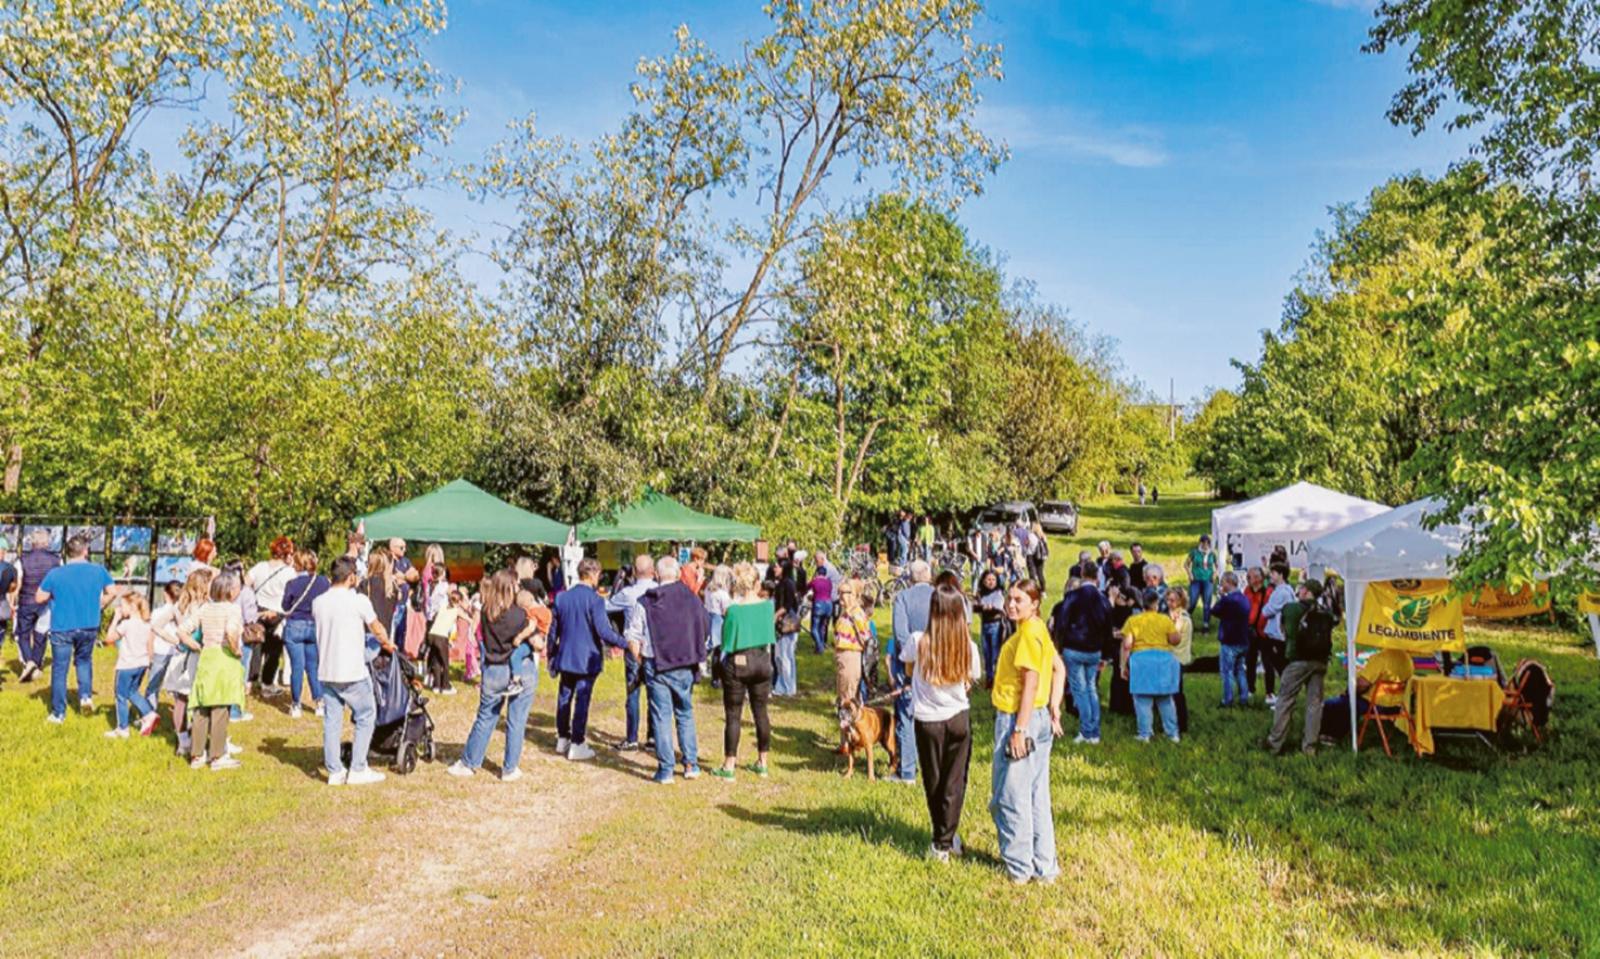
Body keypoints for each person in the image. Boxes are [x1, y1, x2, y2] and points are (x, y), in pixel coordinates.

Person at [989, 579, 1065, 884]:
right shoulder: (1037, 630)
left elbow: (1031, 681)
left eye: (1019, 600)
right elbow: (1058, 669)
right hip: (1039, 718)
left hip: (1018, 719)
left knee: (1009, 797)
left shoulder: (1028, 635)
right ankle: (1045, 867)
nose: (1011, 604)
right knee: (1035, 795)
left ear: (1034, 604)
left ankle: (1019, 869)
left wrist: (1019, 729)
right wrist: (1054, 708)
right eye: (1009, 598)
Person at [900, 583, 981, 861]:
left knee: (934, 781)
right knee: (954, 782)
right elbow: (971, 680)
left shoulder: (917, 640)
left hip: (927, 719)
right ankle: (948, 837)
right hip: (958, 716)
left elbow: (909, 668)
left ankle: (941, 842)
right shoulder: (968, 646)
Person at [448, 569, 542, 781]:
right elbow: (537, 643)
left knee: (486, 717)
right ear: (511, 587)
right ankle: (510, 768)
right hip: (521, 670)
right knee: (516, 720)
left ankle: (469, 762)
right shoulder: (519, 615)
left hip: (494, 669)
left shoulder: (485, 612)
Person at [314, 556, 392, 786]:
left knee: (332, 721)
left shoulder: (318, 602)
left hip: (327, 670)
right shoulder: (358, 601)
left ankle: (334, 771)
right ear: (351, 577)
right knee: (367, 715)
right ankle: (358, 767)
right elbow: (376, 628)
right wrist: (387, 643)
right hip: (352, 671)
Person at [633, 555, 706, 784]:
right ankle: (691, 764)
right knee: (685, 713)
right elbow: (704, 626)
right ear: (677, 574)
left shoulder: (646, 601)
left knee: (661, 716)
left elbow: (633, 636)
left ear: (657, 573)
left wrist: (640, 661)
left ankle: (665, 770)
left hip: (657, 664)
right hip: (684, 662)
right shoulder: (691, 598)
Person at [36, 534, 124, 722]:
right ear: (85, 551)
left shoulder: (56, 573)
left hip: (62, 626)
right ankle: (85, 697)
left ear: (68, 552)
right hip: (89, 624)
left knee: (60, 668)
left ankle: (58, 713)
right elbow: (113, 592)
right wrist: (101, 604)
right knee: (84, 661)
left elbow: (39, 597)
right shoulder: (98, 571)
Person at [548, 558, 627, 761]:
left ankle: (562, 737)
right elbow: (603, 631)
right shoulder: (595, 600)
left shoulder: (562, 598)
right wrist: (625, 643)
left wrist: (551, 654)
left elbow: (553, 632)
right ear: (593, 574)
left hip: (566, 656)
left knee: (564, 697)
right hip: (587, 658)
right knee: (582, 699)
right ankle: (577, 742)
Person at [712, 562, 775, 782]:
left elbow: (727, 643)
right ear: (757, 583)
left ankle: (729, 765)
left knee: (733, 714)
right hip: (762, 660)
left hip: (738, 662)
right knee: (761, 712)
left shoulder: (733, 610)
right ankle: (763, 762)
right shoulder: (768, 606)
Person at [1264, 580, 1338, 755]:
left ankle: (1275, 743)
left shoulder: (1291, 608)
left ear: (1305, 591)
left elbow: (1284, 631)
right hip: (1320, 661)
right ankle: (1309, 747)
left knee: (1285, 700)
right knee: (1314, 704)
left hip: (1298, 660)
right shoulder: (1325, 613)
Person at [183, 571, 247, 770]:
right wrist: (236, 650)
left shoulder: (205, 608)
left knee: (201, 706)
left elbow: (182, 630)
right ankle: (217, 755)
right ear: (229, 590)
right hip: (224, 658)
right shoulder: (233, 609)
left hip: (207, 657)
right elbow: (231, 631)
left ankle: (197, 754)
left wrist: (195, 645)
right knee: (220, 707)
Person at [156, 569, 214, 755]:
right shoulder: (205, 606)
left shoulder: (179, 606)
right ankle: (202, 741)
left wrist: (174, 641)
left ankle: (183, 741)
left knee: (180, 700)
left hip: (179, 656)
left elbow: (156, 625)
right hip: (197, 656)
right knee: (200, 700)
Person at [887, 560, 934, 785]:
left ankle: (907, 772)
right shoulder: (939, 596)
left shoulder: (903, 598)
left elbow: (900, 635)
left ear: (910, 577)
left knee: (906, 716)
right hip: (938, 664)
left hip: (910, 664)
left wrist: (912, 663)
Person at [606, 553, 657, 752]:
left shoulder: (628, 593)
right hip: (654, 648)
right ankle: (653, 737)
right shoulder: (660, 590)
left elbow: (607, 605)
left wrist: (618, 582)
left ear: (635, 572)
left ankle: (632, 737)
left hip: (633, 645)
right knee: (655, 693)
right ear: (653, 571)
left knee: (633, 693)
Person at [1121, 588, 1183, 743]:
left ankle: (1145, 733)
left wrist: (1123, 666)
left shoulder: (1133, 620)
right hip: (1163, 660)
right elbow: (1175, 640)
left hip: (1141, 661)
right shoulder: (1164, 620)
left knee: (1142, 700)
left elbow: (1127, 645)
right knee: (1165, 698)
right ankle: (1172, 733)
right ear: (1156, 604)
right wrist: (1177, 626)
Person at [1052, 576, 1109, 744]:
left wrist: (1060, 647)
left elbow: (1061, 624)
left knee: (1080, 691)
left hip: (1074, 648)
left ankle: (1086, 731)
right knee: (1090, 689)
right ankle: (1094, 731)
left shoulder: (1071, 598)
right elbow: (1107, 626)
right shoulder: (1102, 599)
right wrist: (1105, 653)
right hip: (1094, 649)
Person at [280, 549, 330, 718]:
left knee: (297, 667)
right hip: (315, 625)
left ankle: (296, 705)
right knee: (313, 667)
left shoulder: (292, 584)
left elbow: (285, 606)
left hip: (295, 625)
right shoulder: (323, 582)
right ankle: (319, 702)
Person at [104, 593, 161, 738]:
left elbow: (109, 639)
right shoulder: (146, 624)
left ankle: (122, 728)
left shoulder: (126, 624)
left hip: (126, 665)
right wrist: (149, 661)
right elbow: (150, 644)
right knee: (132, 692)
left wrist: (116, 618)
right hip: (141, 664)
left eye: (122, 606)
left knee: (121, 696)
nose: (120, 609)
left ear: (132, 607)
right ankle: (149, 714)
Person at [246, 536, 295, 694]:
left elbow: (245, 582)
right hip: (277, 612)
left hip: (259, 610)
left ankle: (250, 680)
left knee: (256, 647)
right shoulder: (289, 572)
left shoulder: (260, 566)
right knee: (273, 651)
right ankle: (267, 684)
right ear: (286, 554)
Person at [833, 581, 871, 747]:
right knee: (843, 698)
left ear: (854, 595)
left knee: (848, 701)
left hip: (851, 657)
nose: (840, 596)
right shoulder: (845, 612)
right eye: (839, 592)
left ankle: (848, 743)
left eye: (844, 592)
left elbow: (865, 637)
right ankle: (845, 742)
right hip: (842, 657)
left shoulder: (856, 614)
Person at [1209, 572, 1253, 707]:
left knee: (1227, 672)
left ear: (1228, 583)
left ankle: (1227, 700)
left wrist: (1220, 597)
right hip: (1243, 640)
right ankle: (1244, 697)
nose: (1221, 585)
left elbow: (1214, 611)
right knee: (1240, 670)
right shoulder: (1244, 599)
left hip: (1229, 640)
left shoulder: (1228, 600)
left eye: (1223, 582)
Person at [1259, 564, 1296, 706]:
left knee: (1281, 669)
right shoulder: (1287, 590)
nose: (1270, 575)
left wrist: (1266, 608)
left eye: (1273, 573)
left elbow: (1267, 610)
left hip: (1277, 635)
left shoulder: (1282, 592)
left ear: (1281, 575)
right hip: (1279, 634)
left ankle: (1284, 699)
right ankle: (1282, 697)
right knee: (1280, 668)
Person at [143, 581, 182, 710]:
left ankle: (149, 713)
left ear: (165, 594)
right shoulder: (182, 612)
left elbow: (152, 633)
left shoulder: (158, 612)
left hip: (160, 651)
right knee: (178, 687)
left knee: (153, 686)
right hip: (177, 653)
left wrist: (149, 653)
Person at [1105, 585, 1138, 716]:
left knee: (1123, 676)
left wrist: (1118, 633)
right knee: (1118, 676)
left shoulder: (1129, 613)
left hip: (1126, 647)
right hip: (1117, 647)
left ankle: (1124, 706)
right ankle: (1118, 706)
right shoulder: (1117, 611)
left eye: (1120, 597)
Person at [1166, 586, 1194, 734]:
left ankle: (1181, 724)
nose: (1169, 603)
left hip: (1178, 659)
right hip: (1172, 659)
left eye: (1173, 600)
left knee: (1177, 693)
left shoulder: (1182, 619)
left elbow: (1174, 640)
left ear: (1181, 601)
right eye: (1168, 600)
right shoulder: (1172, 616)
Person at [1243, 566, 1273, 700]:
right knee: (1250, 661)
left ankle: (1269, 692)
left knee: (1268, 662)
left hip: (1264, 632)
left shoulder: (1268, 592)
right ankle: (1250, 688)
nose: (1248, 579)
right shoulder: (1247, 591)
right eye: (1248, 576)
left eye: (1250, 576)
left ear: (1258, 578)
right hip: (1250, 631)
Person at [975, 569, 1006, 688]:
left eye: (993, 580)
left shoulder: (998, 594)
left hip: (995, 625)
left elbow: (998, 607)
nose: (991, 582)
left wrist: (988, 607)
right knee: (986, 653)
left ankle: (996, 678)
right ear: (983, 581)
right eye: (988, 579)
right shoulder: (981, 594)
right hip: (985, 625)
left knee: (995, 653)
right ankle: (989, 678)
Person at [702, 565, 732, 685]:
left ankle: (715, 678)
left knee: (713, 649)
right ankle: (722, 676)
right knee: (721, 650)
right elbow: (726, 611)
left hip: (710, 617)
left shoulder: (708, 590)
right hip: (720, 620)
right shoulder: (723, 594)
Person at [1184, 535, 1217, 632]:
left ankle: (1206, 625)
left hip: (1208, 580)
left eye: (1207, 543)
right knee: (1192, 601)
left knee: (1207, 602)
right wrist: (1190, 574)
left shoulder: (1212, 554)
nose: (1205, 545)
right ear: (1200, 543)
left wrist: (1215, 574)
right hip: (1196, 580)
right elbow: (1186, 564)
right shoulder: (1194, 552)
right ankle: (1186, 619)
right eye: (1203, 543)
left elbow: (1218, 565)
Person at [805, 559, 835, 656]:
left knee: (814, 628)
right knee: (822, 627)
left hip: (819, 605)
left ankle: (820, 647)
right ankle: (820, 647)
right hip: (829, 605)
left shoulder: (815, 581)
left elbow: (806, 587)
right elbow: (825, 593)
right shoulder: (829, 582)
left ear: (817, 572)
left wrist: (811, 597)